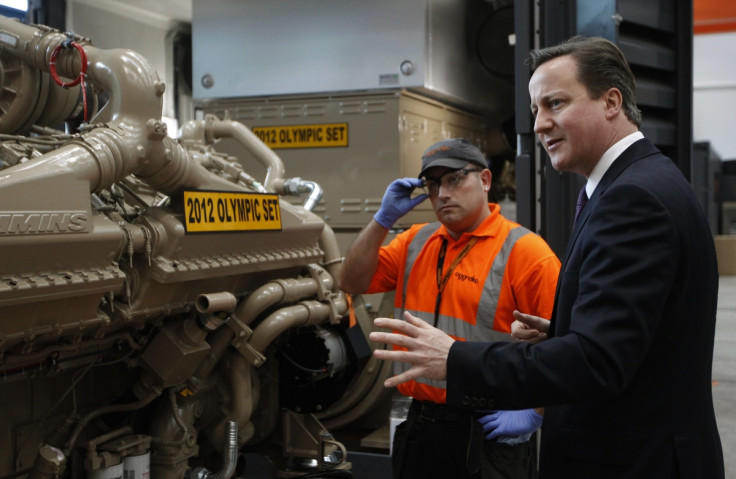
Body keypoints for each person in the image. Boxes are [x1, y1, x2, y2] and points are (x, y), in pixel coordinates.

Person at [367, 36, 725, 479]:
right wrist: (561, 333)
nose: (539, 124)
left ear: (611, 101)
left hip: (633, 460)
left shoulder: (633, 198)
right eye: (537, 110)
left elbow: (598, 362)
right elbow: (639, 335)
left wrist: (457, 358)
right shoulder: (634, 182)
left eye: (555, 103)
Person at [339, 137, 560, 479]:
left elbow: (562, 345)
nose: (442, 193)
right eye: (432, 184)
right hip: (422, 426)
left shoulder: (527, 253)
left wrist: (536, 412)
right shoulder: (414, 241)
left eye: (454, 179)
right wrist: (381, 221)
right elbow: (351, 281)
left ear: (485, 180)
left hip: (490, 428)